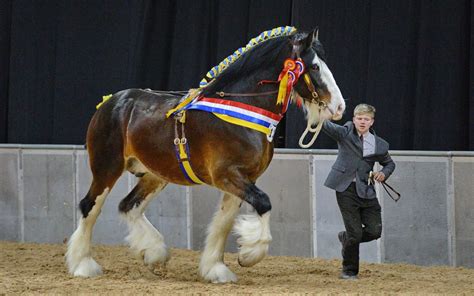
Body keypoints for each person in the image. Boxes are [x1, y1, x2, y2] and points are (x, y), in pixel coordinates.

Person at [321, 103, 395, 280]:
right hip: (345, 188)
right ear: (354, 120)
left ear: (372, 122)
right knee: (355, 233)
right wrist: (321, 111)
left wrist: (383, 174)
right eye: (359, 118)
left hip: (367, 190)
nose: (362, 122)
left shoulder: (380, 144)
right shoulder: (344, 133)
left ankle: (346, 238)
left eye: (366, 119)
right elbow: (324, 124)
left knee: (375, 231)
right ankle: (349, 271)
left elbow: (389, 163)